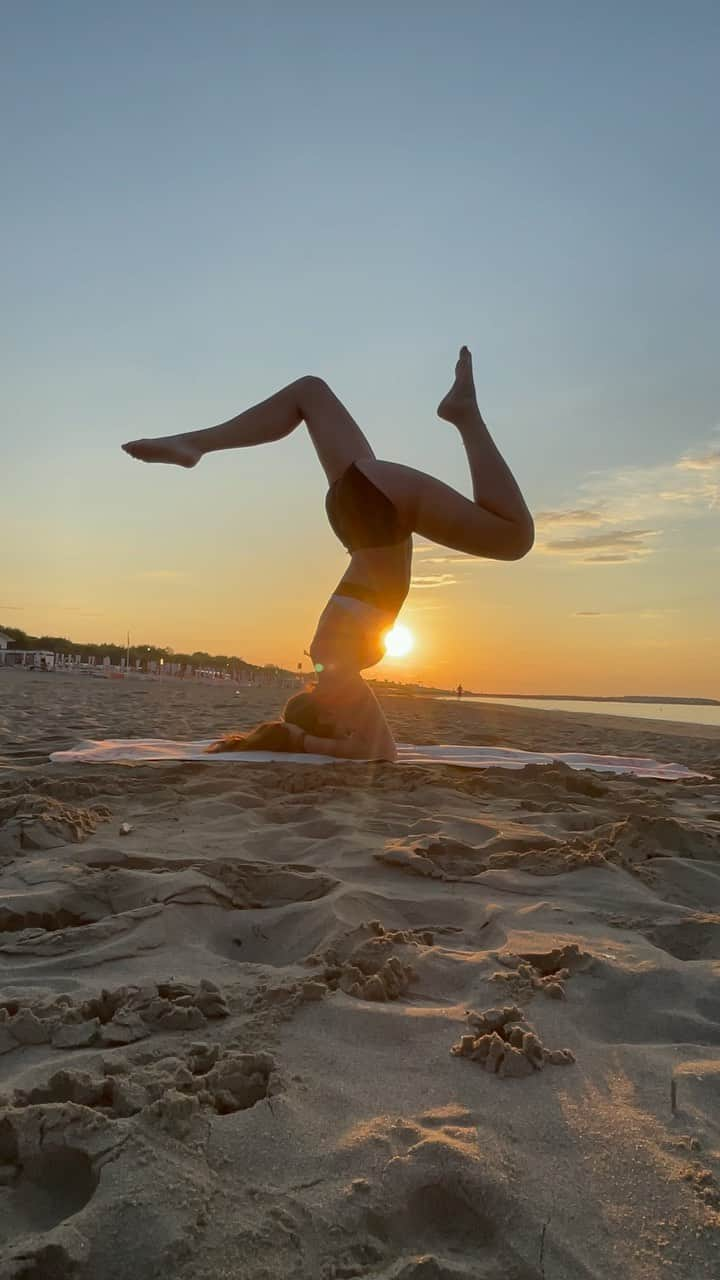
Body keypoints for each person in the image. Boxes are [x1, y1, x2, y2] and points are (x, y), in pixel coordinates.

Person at [122, 347, 533, 761]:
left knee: (514, 538)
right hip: (359, 513)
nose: (351, 725)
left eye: (342, 726)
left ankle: (466, 416)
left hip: (379, 516)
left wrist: (300, 741)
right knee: (310, 392)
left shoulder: (335, 670)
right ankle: (195, 444)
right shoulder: (328, 660)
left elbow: (379, 752)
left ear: (329, 714)